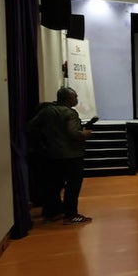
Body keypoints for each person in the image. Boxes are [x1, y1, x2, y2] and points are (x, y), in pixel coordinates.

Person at [27, 87, 94, 224]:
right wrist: (85, 134)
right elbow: (74, 133)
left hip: (51, 155)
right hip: (72, 156)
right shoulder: (70, 113)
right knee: (73, 186)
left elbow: (31, 126)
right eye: (75, 97)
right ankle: (71, 215)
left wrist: (42, 143)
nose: (77, 99)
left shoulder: (47, 111)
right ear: (68, 99)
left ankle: (52, 213)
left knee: (53, 185)